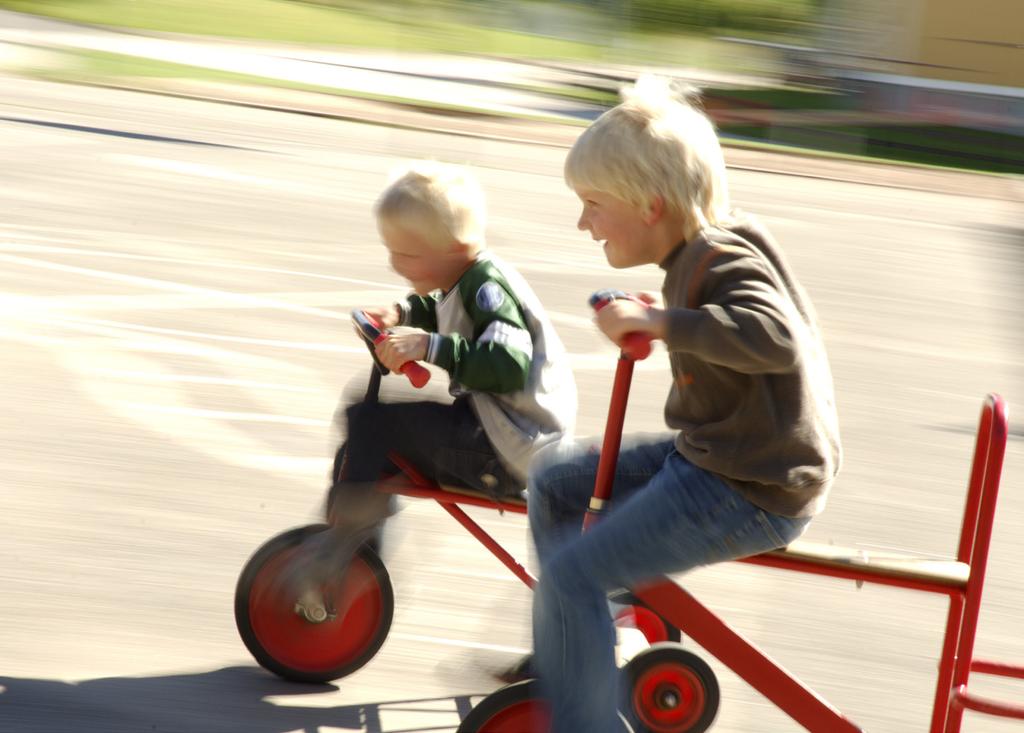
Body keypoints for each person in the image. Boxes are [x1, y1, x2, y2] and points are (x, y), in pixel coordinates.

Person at [527, 76, 842, 731]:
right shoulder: (705, 248)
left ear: (649, 205)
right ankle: (575, 650)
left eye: (592, 203)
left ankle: (582, 708)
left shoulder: (721, 257)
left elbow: (777, 338)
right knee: (554, 482)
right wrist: (660, 314)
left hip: (749, 487)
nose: (582, 222)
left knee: (571, 574)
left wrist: (667, 323)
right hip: (717, 459)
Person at [290, 160, 577, 622]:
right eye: (392, 252)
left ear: (456, 247)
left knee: (372, 423)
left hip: (508, 447)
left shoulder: (488, 290)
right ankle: (354, 551)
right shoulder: (464, 277)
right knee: (366, 428)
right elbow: (439, 303)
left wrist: (429, 346)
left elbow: (507, 364)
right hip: (499, 432)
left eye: (407, 255)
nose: (395, 264)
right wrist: (400, 315)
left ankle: (344, 551)